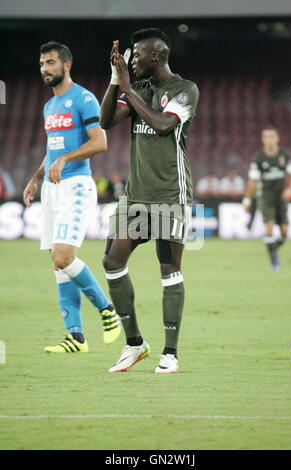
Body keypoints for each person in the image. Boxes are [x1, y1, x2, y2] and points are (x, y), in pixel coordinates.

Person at [100, 28, 199, 373]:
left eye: (137, 55)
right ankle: (134, 344)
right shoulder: (138, 88)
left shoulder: (185, 90)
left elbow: (160, 125)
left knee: (169, 268)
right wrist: (116, 80)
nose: (133, 61)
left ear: (155, 55)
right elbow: (105, 121)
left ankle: (170, 353)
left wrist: (127, 85)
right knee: (112, 261)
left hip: (172, 193)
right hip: (136, 195)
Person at [23, 41, 121, 353]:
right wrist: (36, 177)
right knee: (58, 264)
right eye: (42, 64)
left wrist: (66, 160)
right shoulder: (49, 107)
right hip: (51, 188)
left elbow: (100, 142)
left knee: (63, 256)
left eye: (51, 63)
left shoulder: (83, 98)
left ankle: (108, 310)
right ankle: (76, 336)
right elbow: (54, 148)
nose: (45, 69)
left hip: (76, 185)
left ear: (67, 65)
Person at [243, 126, 291, 271]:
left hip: (281, 196)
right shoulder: (259, 158)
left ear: (277, 138)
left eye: (272, 136)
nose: (269, 139)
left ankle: (273, 249)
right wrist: (247, 200)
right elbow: (252, 181)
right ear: (262, 140)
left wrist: (290, 189)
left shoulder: (285, 155)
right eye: (266, 137)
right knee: (269, 227)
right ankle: (274, 262)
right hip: (266, 196)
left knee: (285, 232)